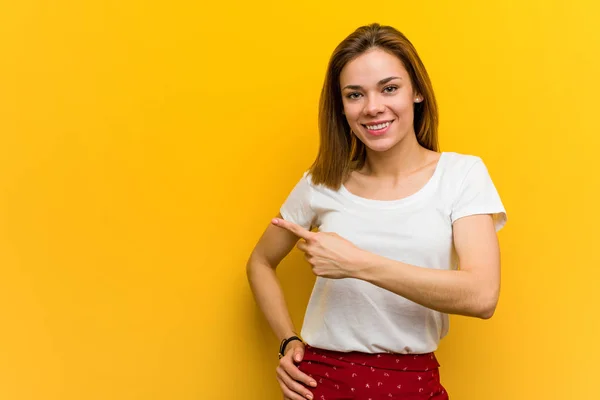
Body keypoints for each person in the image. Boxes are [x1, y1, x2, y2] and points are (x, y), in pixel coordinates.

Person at [246, 23, 507, 400]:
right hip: (322, 385)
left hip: (414, 384)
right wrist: (288, 342)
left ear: (416, 90)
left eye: (389, 88)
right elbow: (260, 262)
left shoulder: (461, 175)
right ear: (341, 105)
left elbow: (482, 296)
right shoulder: (323, 182)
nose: (372, 107)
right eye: (355, 94)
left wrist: (357, 263)